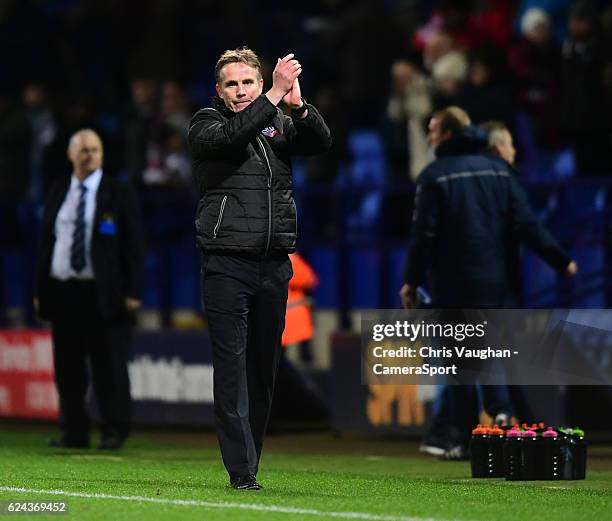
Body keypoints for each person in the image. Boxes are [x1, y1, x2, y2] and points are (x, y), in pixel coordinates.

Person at [188, 47, 331, 490]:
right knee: (231, 370)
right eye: (232, 84)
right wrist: (274, 93)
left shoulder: (275, 121)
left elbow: (320, 143)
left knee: (263, 372)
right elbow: (232, 138)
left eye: (248, 82)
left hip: (273, 266)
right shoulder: (205, 124)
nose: (241, 91)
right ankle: (241, 471)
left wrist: (298, 107)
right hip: (226, 263)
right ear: (219, 90)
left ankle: (251, 460)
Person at [399, 107, 577, 458]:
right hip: (496, 287)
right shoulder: (499, 172)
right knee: (492, 356)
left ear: (448, 134)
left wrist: (411, 281)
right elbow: (527, 224)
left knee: (461, 365)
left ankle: (467, 441)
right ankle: (504, 419)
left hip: (451, 287)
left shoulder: (435, 175)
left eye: (434, 131)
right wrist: (561, 259)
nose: (430, 138)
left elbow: (423, 236)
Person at [35, 129, 145, 450]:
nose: (90, 155)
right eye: (84, 150)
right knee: (67, 368)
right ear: (71, 155)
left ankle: (114, 429)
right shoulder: (58, 190)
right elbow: (45, 244)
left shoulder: (117, 191)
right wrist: (41, 288)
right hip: (64, 291)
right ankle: (74, 431)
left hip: (104, 293)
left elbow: (135, 245)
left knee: (108, 366)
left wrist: (134, 290)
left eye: (95, 150)